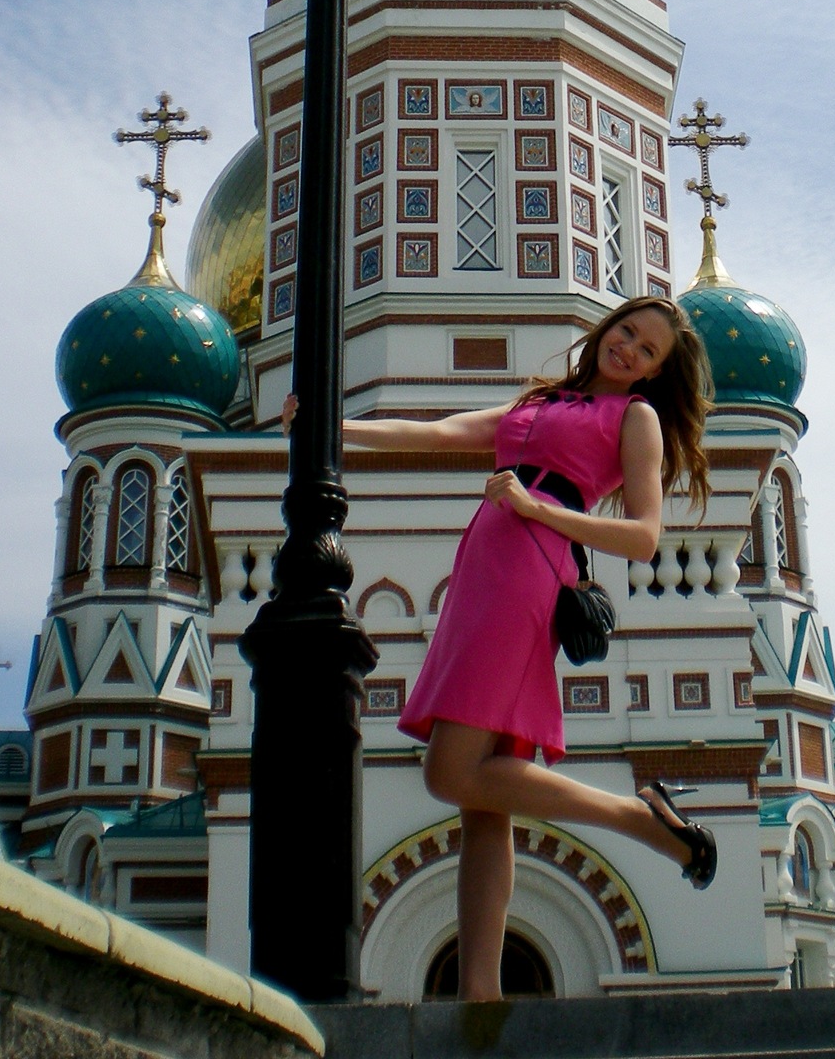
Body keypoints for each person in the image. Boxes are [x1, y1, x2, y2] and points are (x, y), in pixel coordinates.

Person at [280, 294, 718, 1002]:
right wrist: (333, 430)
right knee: (484, 801)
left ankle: (639, 819)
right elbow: (442, 432)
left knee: (449, 772)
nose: (629, 349)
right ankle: (480, 996)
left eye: (647, 351)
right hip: (484, 572)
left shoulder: (634, 417)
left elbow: (644, 536)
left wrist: (538, 508)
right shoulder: (544, 401)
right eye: (627, 331)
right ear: (607, 329)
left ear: (653, 373)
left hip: (528, 574)